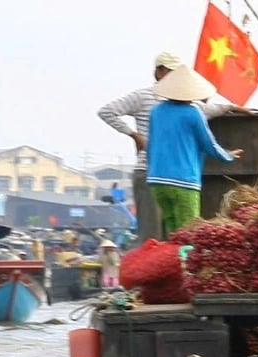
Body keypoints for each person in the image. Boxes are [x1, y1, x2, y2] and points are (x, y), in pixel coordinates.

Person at [98, 51, 241, 239]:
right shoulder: (143, 97)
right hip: (166, 176)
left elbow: (206, 109)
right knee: (166, 233)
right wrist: (134, 135)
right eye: (170, 72)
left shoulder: (159, 111)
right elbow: (106, 111)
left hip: (156, 176)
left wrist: (230, 107)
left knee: (167, 235)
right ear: (158, 72)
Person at [144, 65, 242, 236]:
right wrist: (228, 156)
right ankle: (184, 262)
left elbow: (150, 144)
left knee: (173, 231)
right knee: (189, 233)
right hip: (183, 181)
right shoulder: (193, 114)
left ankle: (174, 260)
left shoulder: (156, 112)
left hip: (157, 180)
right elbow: (208, 144)